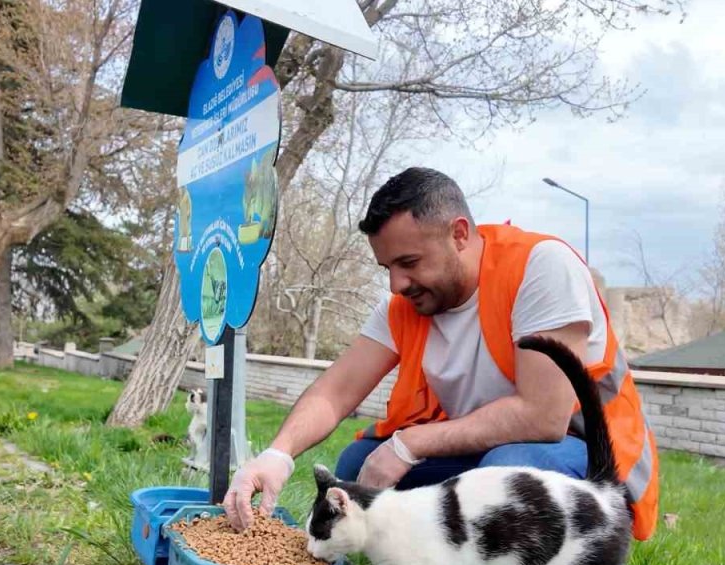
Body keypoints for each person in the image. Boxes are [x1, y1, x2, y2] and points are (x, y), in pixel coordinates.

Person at [223, 167, 660, 540]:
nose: (397, 284)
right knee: (357, 465)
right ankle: (438, 552)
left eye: (409, 262)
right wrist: (277, 455)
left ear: (460, 235)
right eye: (387, 268)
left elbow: (543, 418)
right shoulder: (406, 304)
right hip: (487, 452)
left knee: (506, 473)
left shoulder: (541, 267)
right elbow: (335, 392)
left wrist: (409, 444)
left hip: (586, 458)